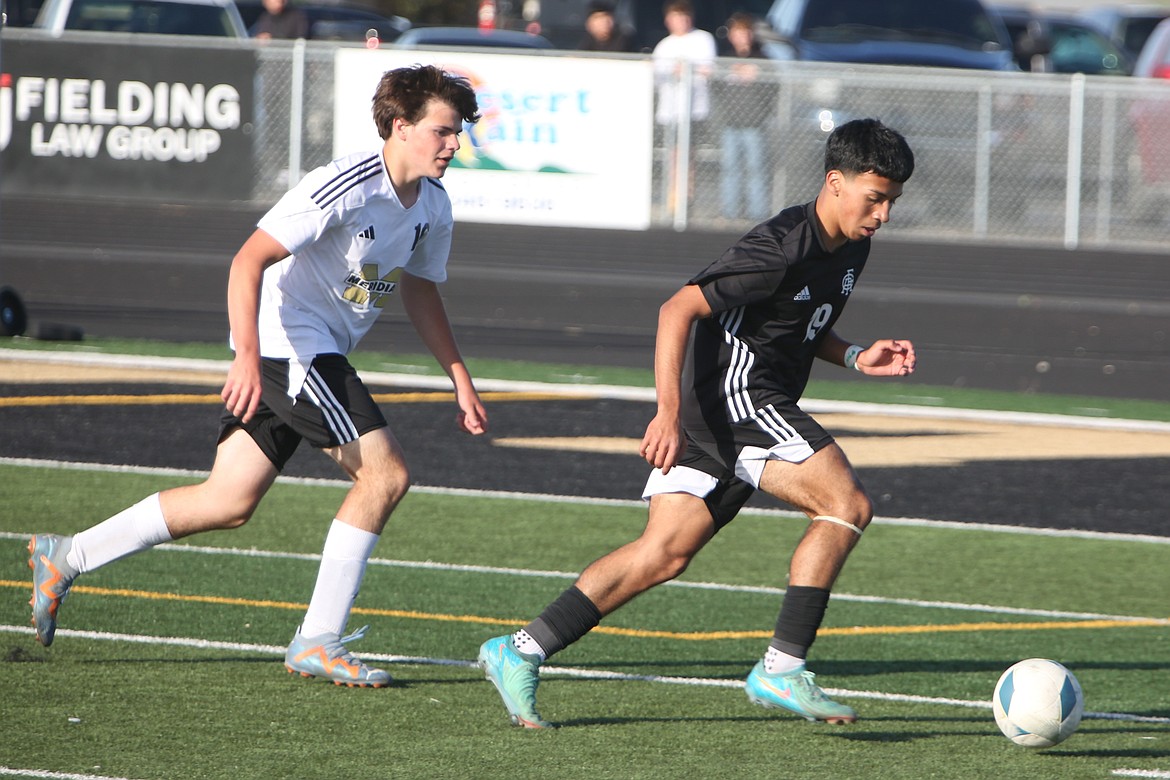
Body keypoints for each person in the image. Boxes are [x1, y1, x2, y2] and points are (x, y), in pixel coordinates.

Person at [28, 65, 488, 688]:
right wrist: (247, 356)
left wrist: (458, 376)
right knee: (386, 473)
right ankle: (318, 639)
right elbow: (248, 259)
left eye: (458, 132)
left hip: (303, 349)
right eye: (443, 131)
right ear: (401, 127)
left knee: (228, 501)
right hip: (288, 344)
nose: (454, 143)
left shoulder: (432, 204)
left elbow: (423, 292)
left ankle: (68, 555)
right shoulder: (345, 184)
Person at [479, 118, 916, 727]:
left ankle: (517, 650)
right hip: (737, 401)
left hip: (735, 410)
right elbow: (677, 308)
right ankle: (783, 669)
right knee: (846, 505)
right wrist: (666, 411)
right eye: (875, 199)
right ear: (835, 182)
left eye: (892, 201)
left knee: (662, 554)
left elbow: (797, 325)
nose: (884, 215)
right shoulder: (780, 247)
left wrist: (853, 355)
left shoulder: (852, 246)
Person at [651, 1, 717, 216]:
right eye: (676, 17)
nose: (681, 21)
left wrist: (688, 70)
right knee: (673, 155)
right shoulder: (664, 45)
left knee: (688, 156)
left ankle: (686, 199)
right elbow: (657, 76)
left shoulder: (702, 39)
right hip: (670, 110)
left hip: (693, 110)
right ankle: (673, 199)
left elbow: (708, 69)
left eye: (684, 16)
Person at [717, 13, 775, 222]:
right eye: (738, 32)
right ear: (731, 35)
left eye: (746, 32)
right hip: (731, 124)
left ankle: (756, 215)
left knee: (756, 170)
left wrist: (757, 77)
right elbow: (716, 88)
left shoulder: (763, 59)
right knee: (730, 169)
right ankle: (729, 213)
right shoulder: (725, 59)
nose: (742, 37)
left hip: (754, 125)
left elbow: (773, 90)